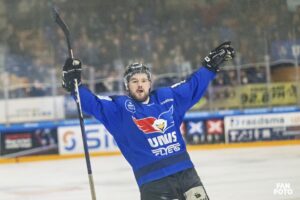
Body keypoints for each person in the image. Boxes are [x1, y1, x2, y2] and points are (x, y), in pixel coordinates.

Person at [62, 41, 235, 200]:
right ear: (127, 86)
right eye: (134, 81)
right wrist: (74, 85)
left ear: (150, 83)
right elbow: (94, 103)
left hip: (186, 174)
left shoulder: (166, 97)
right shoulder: (119, 109)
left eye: (144, 80)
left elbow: (191, 87)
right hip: (153, 184)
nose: (140, 85)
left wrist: (209, 67)